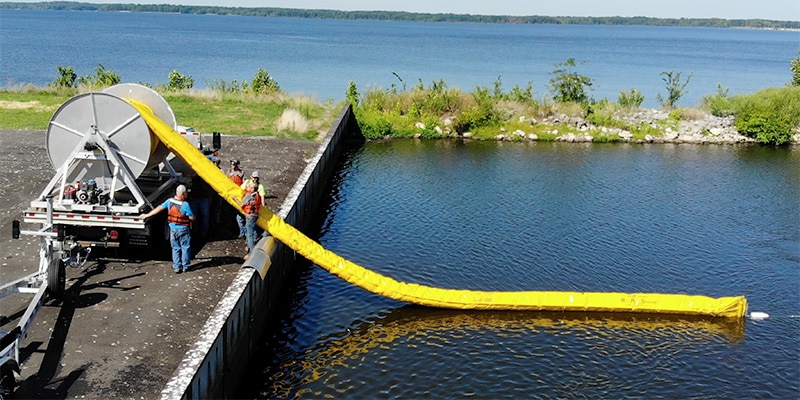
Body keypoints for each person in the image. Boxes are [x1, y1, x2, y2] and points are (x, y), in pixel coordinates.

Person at [140, 184, 195, 273]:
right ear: (183, 194)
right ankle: (185, 266)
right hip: (183, 229)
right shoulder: (185, 205)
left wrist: (147, 215)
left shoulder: (169, 201)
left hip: (173, 229)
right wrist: (193, 218)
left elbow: (159, 208)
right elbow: (191, 218)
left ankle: (177, 267)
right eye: (186, 194)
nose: (187, 195)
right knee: (185, 247)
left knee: (175, 248)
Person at [236, 181, 262, 259]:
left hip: (250, 216)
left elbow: (241, 205)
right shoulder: (257, 195)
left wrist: (234, 199)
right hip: (255, 215)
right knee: (250, 232)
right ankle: (249, 247)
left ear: (252, 189)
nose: (248, 187)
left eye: (250, 186)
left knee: (249, 234)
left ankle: (251, 253)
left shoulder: (248, 195)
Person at [228, 160, 246, 238]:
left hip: (238, 195)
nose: (233, 166)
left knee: (240, 214)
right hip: (231, 195)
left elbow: (244, 182)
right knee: (231, 214)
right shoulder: (228, 172)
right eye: (232, 164)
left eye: (235, 164)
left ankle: (242, 231)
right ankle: (234, 230)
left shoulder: (241, 172)